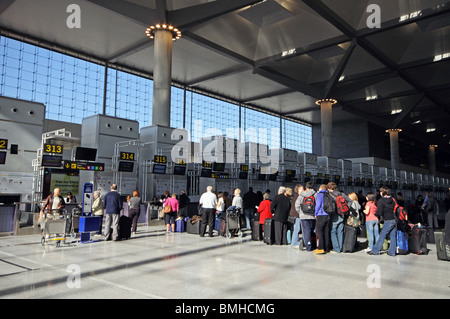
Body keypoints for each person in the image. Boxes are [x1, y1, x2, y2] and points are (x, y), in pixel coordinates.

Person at [367, 187, 397, 256]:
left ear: (382, 192)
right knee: (393, 236)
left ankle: (375, 250)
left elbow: (379, 212)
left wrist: (375, 214)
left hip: (388, 220)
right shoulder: (392, 199)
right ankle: (392, 252)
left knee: (382, 235)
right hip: (394, 219)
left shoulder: (381, 200)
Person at [327, 182, 352, 253]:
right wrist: (346, 208)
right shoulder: (341, 194)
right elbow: (350, 201)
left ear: (329, 188)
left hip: (334, 215)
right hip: (342, 214)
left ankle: (336, 248)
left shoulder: (330, 195)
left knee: (333, 231)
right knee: (340, 231)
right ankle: (340, 248)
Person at [296, 181, 316, 251]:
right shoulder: (315, 194)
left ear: (306, 187)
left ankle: (308, 246)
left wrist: (300, 212)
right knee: (312, 230)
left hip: (304, 216)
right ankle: (314, 244)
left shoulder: (301, 195)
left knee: (306, 231)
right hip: (312, 216)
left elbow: (297, 205)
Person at [314, 184, 331, 254]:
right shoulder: (329, 195)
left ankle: (320, 248)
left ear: (320, 188)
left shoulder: (320, 194)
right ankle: (327, 248)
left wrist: (315, 213)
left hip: (321, 214)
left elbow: (318, 204)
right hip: (328, 215)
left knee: (319, 231)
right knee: (326, 231)